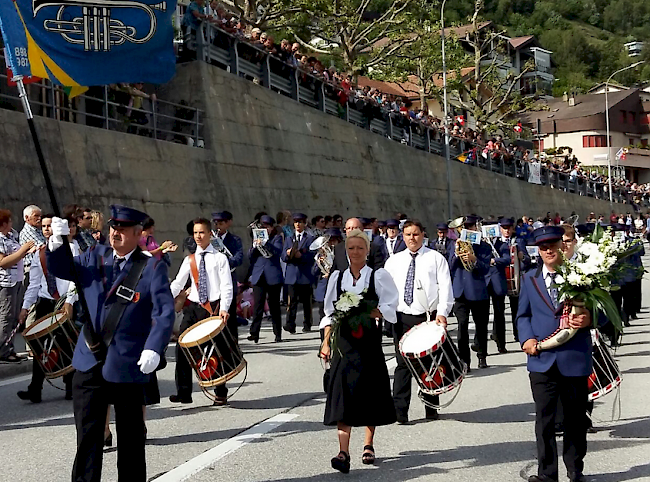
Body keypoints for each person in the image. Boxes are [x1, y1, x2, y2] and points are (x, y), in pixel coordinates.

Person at [47, 205, 175, 482]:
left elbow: (164, 312)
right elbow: (63, 268)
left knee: (130, 438)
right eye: (113, 228)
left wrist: (154, 346)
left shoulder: (151, 266)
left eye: (123, 229)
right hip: (89, 358)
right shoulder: (95, 256)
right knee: (87, 437)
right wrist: (58, 244)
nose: (115, 233)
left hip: (128, 362)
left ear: (138, 233)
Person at [517, 226, 593, 482]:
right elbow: (523, 315)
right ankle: (547, 474)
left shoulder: (583, 275)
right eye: (543, 247)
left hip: (573, 357)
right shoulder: (529, 278)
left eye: (552, 244)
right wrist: (526, 338)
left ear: (562, 245)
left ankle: (575, 471)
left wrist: (590, 318)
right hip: (541, 359)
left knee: (575, 419)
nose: (548, 250)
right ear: (538, 251)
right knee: (544, 420)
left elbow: (604, 310)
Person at [319, 229, 399, 473]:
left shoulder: (378, 276)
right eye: (351, 248)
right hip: (344, 343)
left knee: (369, 391)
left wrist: (378, 311)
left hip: (368, 341)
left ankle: (368, 443)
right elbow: (329, 313)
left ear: (367, 251)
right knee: (343, 392)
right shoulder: (337, 277)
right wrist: (325, 341)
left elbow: (391, 303)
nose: (355, 252)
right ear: (346, 251)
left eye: (360, 248)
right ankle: (343, 452)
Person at [384, 220, 454, 424]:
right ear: (402, 236)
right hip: (402, 317)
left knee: (429, 363)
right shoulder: (394, 261)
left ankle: (431, 405)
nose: (411, 238)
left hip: (427, 317)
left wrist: (442, 312)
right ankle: (399, 410)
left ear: (423, 235)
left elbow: (445, 287)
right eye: (407, 235)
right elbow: (386, 291)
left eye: (415, 234)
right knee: (402, 364)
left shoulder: (435, 258)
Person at [170, 217, 233, 406]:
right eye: (196, 233)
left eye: (202, 232)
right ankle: (183, 393)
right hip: (194, 308)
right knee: (182, 347)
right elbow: (178, 283)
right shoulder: (190, 260)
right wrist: (163, 299)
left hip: (213, 308)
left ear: (210, 234)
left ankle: (220, 391)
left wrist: (224, 308)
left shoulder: (220, 258)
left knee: (217, 349)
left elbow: (227, 286)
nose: (198, 236)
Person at [17, 214, 78, 403]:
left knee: (67, 344)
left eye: (50, 225)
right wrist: (25, 307)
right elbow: (34, 284)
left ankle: (71, 386)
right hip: (45, 303)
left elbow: (75, 278)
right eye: (43, 226)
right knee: (39, 346)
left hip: (64, 303)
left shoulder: (71, 248)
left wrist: (69, 301)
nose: (46, 229)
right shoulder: (39, 252)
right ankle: (35, 388)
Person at [448, 215, 491, 370]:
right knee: (462, 327)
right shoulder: (454, 245)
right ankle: (464, 361)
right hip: (460, 292)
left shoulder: (484, 246)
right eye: (464, 227)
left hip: (478, 291)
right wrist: (455, 254)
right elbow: (449, 267)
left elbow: (486, 269)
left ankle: (482, 356)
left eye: (470, 226)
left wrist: (474, 259)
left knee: (481, 326)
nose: (467, 229)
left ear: (475, 228)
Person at [0, 209, 36, 363]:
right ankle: (3, 351)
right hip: (6, 283)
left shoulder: (10, 236)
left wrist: (28, 251)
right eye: (8, 221)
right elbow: (3, 262)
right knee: (6, 317)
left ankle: (8, 349)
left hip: (16, 281)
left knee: (14, 317)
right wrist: (22, 251)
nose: (11, 224)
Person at [247, 215, 284, 343]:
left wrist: (265, 243)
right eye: (262, 227)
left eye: (267, 227)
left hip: (273, 275)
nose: (265, 229)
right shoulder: (255, 238)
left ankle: (278, 333)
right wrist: (254, 247)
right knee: (258, 305)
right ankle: (254, 333)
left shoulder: (277, 238)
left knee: (274, 306)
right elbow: (250, 256)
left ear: (272, 228)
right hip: (259, 275)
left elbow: (278, 252)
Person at [282, 213, 316, 334]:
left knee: (307, 301)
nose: (298, 224)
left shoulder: (310, 238)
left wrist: (301, 256)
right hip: (292, 274)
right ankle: (290, 324)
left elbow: (312, 256)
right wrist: (287, 254)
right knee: (292, 302)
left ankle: (307, 324)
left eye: (300, 222)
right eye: (296, 222)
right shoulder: (289, 238)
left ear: (304, 224)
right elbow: (283, 257)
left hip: (305, 274)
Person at [312, 228, 342, 339]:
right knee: (323, 318)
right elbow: (313, 273)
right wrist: (319, 263)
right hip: (323, 289)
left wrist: (332, 273)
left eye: (333, 240)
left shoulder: (341, 253)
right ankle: (323, 341)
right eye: (328, 241)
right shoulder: (320, 255)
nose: (330, 244)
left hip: (337, 288)